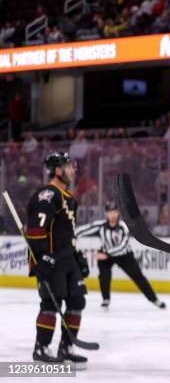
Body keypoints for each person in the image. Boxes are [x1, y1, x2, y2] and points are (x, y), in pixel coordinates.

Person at [25, 152, 89, 369]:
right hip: (51, 260)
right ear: (57, 170)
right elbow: (35, 230)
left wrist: (76, 255)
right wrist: (42, 257)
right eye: (68, 166)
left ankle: (66, 347)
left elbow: (66, 233)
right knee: (51, 304)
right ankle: (41, 348)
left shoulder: (69, 197)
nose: (72, 170)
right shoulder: (48, 195)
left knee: (77, 302)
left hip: (67, 259)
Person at [75, 202, 165, 310]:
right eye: (110, 212)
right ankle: (106, 299)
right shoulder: (100, 226)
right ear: (106, 213)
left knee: (138, 277)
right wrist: (72, 237)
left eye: (114, 212)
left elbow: (122, 246)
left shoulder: (124, 227)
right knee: (104, 276)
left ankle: (154, 299)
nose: (112, 214)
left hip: (124, 255)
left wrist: (106, 254)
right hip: (105, 255)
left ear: (118, 213)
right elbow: (82, 230)